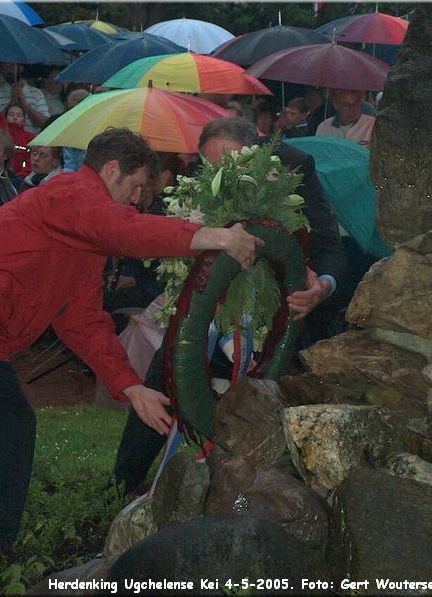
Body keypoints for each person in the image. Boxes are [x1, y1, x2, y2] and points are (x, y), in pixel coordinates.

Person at [0, 128, 262, 565]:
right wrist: (214, 236)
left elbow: (81, 319)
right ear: (112, 170)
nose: (139, 199)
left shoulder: (83, 229)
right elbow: (123, 230)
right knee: (9, 426)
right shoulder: (71, 192)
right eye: (137, 186)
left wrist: (131, 386)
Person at [112, 117, 346, 494]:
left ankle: (261, 489)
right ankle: (124, 483)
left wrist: (321, 286)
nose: (221, 174)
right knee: (169, 371)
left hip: (275, 316)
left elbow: (331, 250)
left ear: (256, 153)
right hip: (203, 309)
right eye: (211, 165)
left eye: (231, 164)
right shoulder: (197, 178)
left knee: (275, 400)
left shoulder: (295, 165)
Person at [0, 63, 49, 133]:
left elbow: (45, 123)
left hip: (31, 142)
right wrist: (12, 103)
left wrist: (25, 104)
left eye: (12, 65)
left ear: (21, 67)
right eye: (5, 65)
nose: (8, 69)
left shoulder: (37, 93)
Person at [4, 103, 35, 177]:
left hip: (22, 178)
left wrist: (21, 176)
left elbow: (31, 160)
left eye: (19, 115)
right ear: (5, 118)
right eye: (11, 114)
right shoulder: (0, 136)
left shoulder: (30, 138)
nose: (15, 117)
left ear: (24, 120)